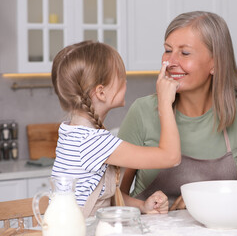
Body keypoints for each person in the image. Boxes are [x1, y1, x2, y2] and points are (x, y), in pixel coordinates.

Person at [118, 11, 237, 210]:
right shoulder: (143, 111)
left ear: (215, 63)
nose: (171, 62)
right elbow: (112, 194)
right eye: (167, 50)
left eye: (184, 53)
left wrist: (216, 197)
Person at [50, 40, 181, 217]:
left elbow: (101, 195)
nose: (125, 81)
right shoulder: (94, 142)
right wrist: (165, 102)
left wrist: (142, 206)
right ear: (101, 92)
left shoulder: (72, 132)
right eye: (120, 77)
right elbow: (171, 157)